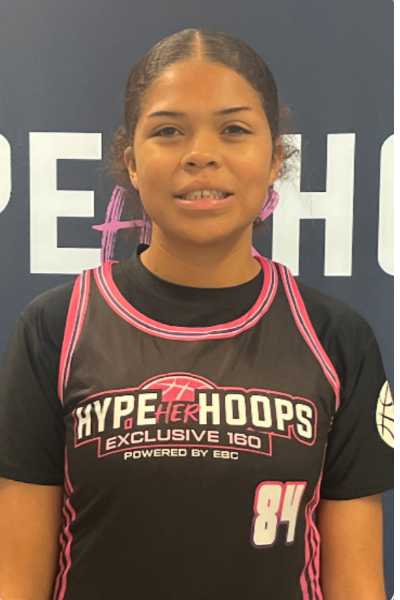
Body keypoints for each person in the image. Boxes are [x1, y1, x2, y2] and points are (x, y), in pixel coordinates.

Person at [0, 29, 393, 600]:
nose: (201, 154)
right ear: (132, 162)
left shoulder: (335, 337)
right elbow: (15, 581)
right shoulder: (56, 327)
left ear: (275, 158)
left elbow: (357, 584)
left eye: (234, 129)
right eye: (168, 131)